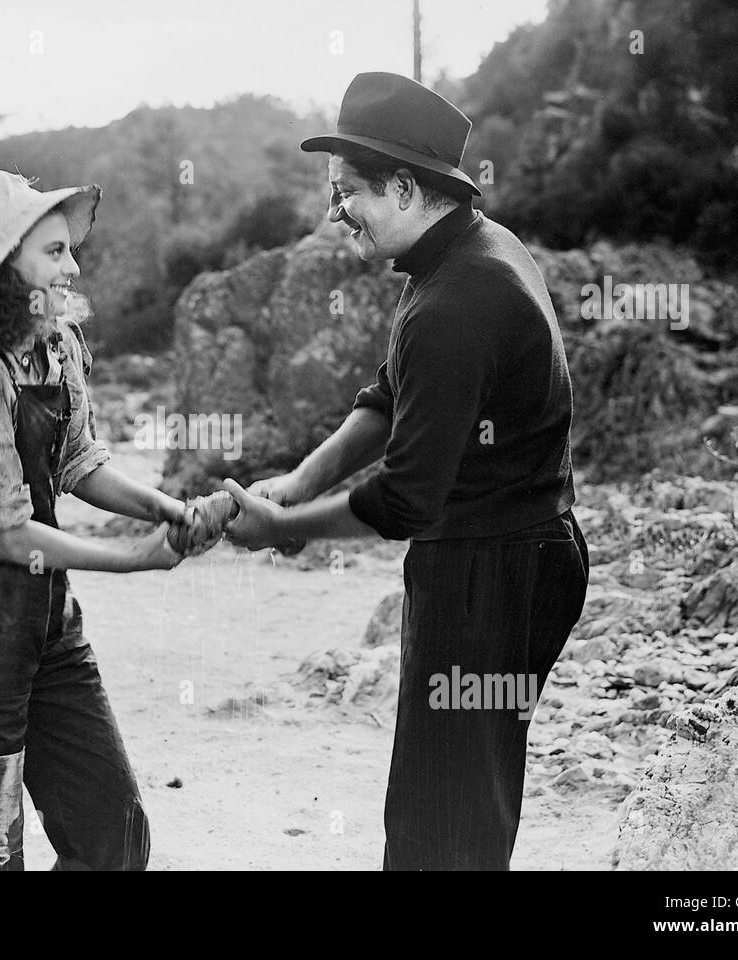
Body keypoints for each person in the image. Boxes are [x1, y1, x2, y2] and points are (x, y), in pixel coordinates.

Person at [222, 72, 590, 870]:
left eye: (347, 190)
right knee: (449, 802)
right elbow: (387, 399)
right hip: (502, 560)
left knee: (444, 827)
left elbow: (406, 496)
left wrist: (283, 530)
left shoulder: (458, 300)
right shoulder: (464, 253)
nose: (334, 211)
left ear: (402, 183)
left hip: (494, 573)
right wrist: (298, 482)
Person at [0, 169, 217, 870]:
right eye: (53, 252)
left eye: (69, 249)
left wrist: (171, 511)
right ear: (4, 269)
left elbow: (79, 463)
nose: (73, 266)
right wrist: (135, 557)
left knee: (111, 835)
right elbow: (3, 530)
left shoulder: (57, 353)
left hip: (45, 625)